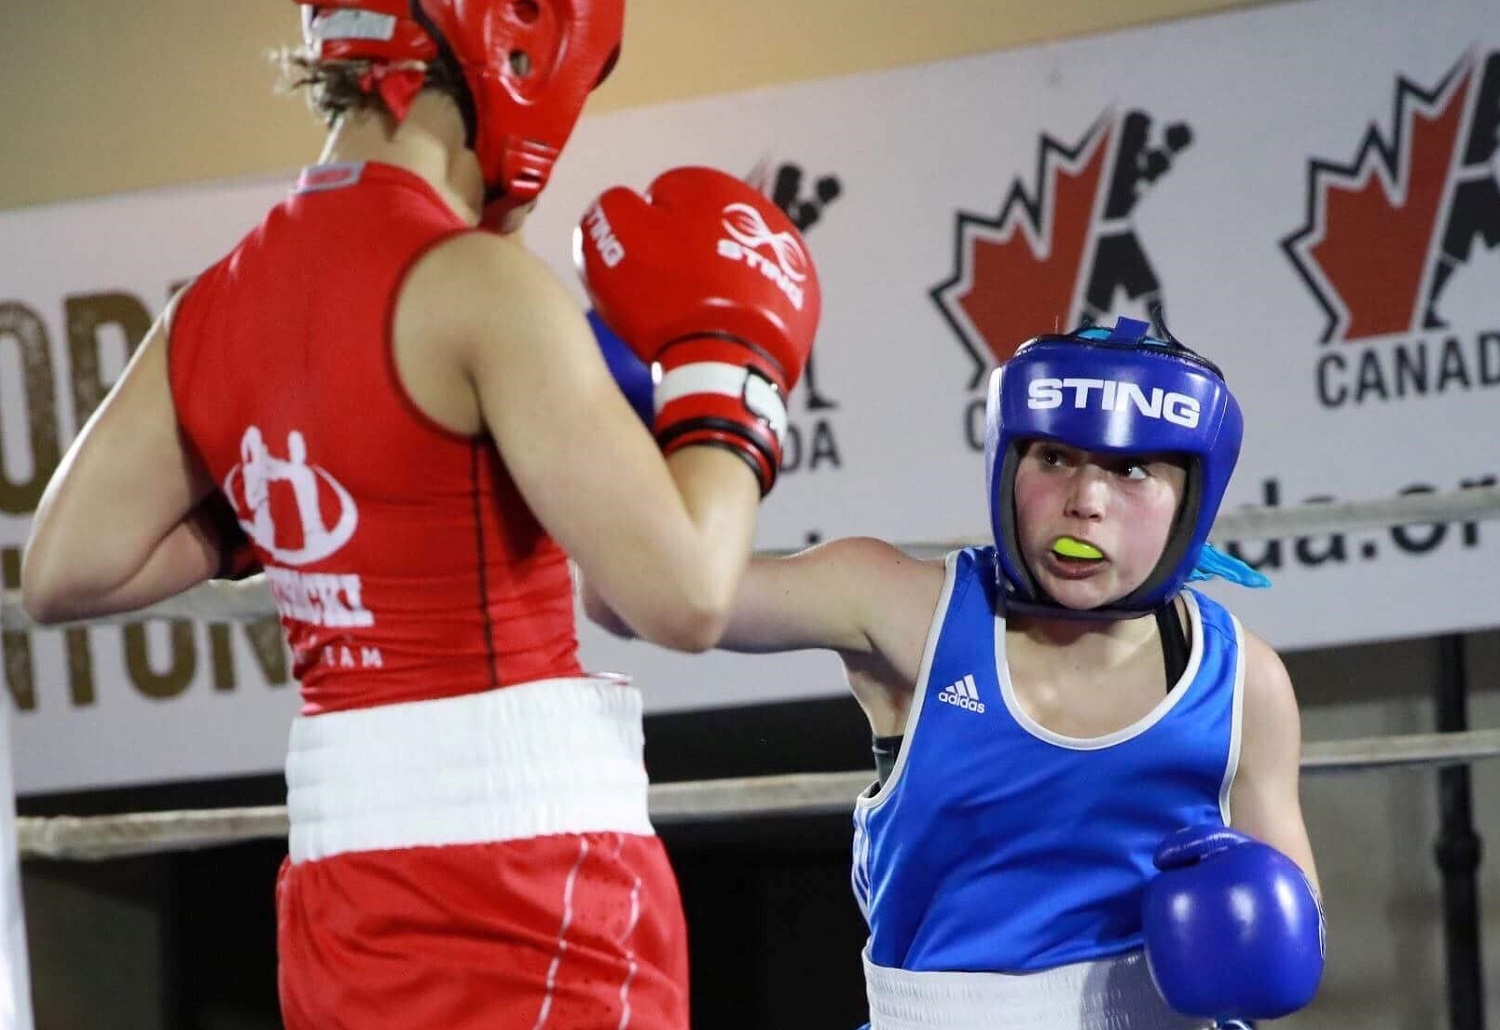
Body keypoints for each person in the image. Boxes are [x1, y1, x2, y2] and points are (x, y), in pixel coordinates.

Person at [19, 2, 820, 1028]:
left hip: (342, 894)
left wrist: (302, 493)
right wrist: (730, 372)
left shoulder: (215, 300)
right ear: (518, 47)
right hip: (531, 881)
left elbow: (63, 568)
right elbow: (689, 596)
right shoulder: (479, 287)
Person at [586, 316, 1324, 1029]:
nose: (1084, 504)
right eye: (1054, 457)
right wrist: (647, 411)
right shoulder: (902, 610)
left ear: (1191, 499)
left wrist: (1257, 923)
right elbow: (636, 595)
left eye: (1131, 469)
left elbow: (1291, 958)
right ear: (1008, 461)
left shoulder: (1241, 683)